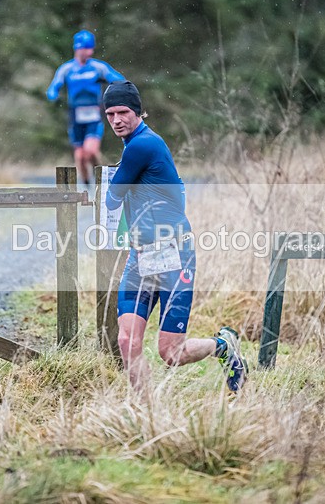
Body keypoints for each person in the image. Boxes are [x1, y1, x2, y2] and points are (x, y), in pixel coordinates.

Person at [102, 80, 248, 394]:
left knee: (172, 353)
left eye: (123, 112)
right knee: (127, 341)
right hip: (141, 257)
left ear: (138, 111)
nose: (116, 120)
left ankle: (223, 346)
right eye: (110, 113)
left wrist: (121, 186)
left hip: (174, 256)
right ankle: (146, 414)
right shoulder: (133, 146)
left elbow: (112, 198)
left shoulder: (143, 145)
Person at [46, 30, 124, 186]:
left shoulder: (98, 67)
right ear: (77, 48)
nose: (89, 52)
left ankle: (101, 179)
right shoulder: (66, 69)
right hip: (75, 116)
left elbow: (120, 80)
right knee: (80, 156)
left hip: (94, 115)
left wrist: (114, 86)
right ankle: (87, 185)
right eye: (85, 48)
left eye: (90, 48)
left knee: (91, 151)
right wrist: (54, 96)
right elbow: (53, 88)